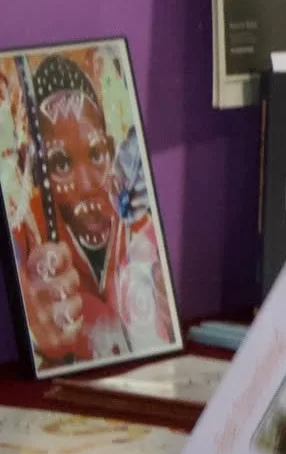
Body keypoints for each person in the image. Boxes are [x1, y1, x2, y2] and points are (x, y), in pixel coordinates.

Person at [11, 52, 174, 369]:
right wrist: (34, 332)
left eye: (97, 154)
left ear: (112, 150)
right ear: (35, 171)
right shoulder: (28, 231)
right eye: (61, 163)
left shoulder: (139, 222)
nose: (86, 184)